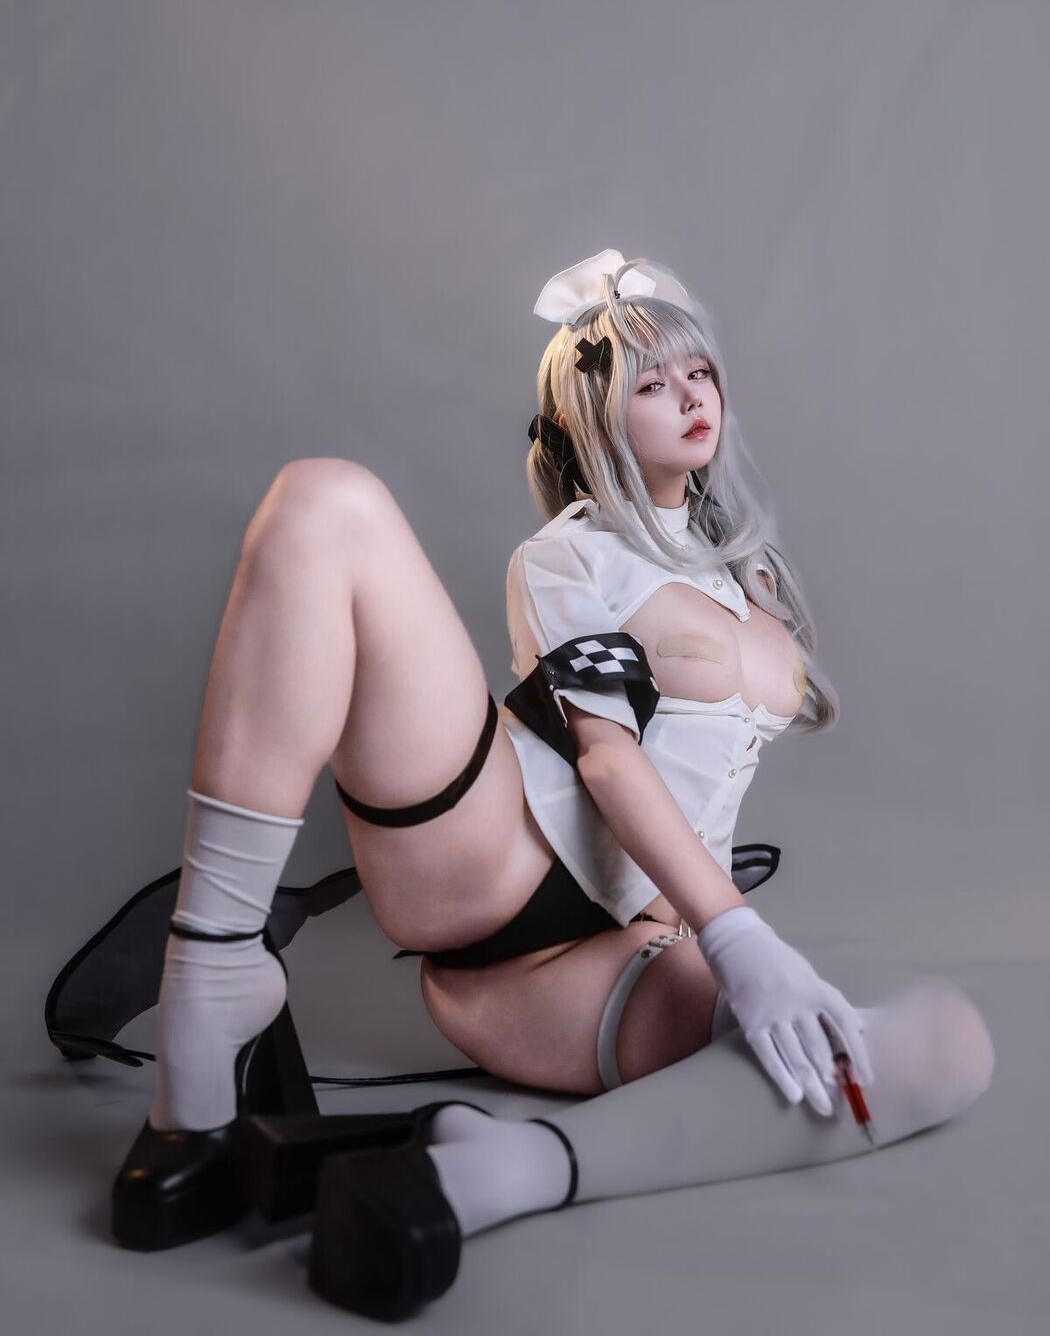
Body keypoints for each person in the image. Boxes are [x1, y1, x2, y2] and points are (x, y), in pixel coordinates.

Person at [111, 250, 994, 1317]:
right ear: (595, 421)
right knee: (324, 500)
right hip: (509, 861)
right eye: (652, 384)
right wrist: (741, 934)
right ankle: (211, 977)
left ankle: (500, 1168)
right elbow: (607, 759)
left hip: (628, 949)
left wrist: (720, 940)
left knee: (944, 1048)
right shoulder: (573, 558)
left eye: (699, 373)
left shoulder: (748, 576)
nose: (690, 397)